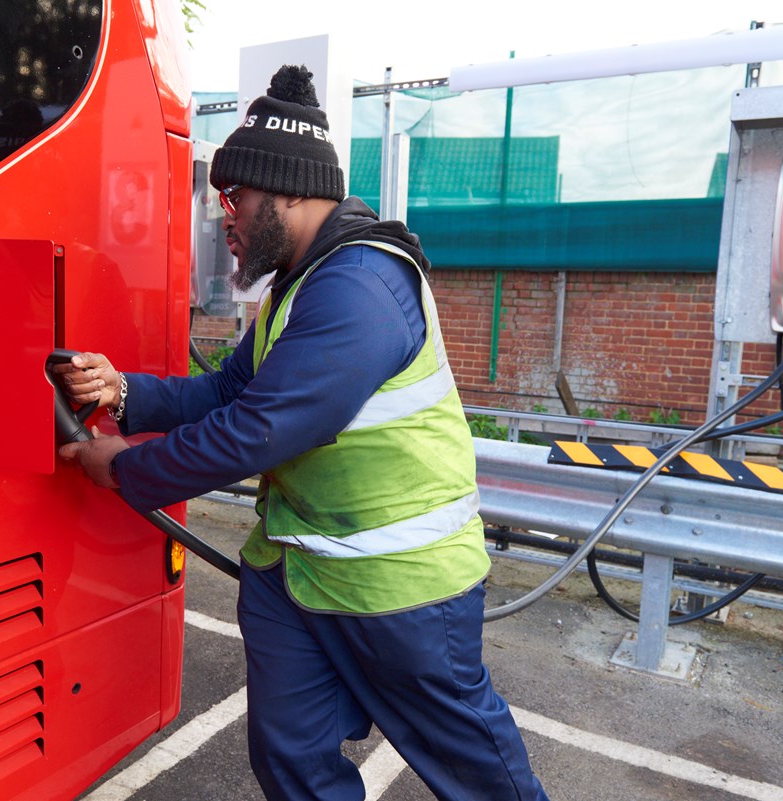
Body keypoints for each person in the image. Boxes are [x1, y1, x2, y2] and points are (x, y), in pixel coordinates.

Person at [56, 64, 551, 801]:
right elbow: (228, 389)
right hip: (299, 576)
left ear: (287, 190)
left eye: (238, 196)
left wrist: (122, 468)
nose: (224, 215)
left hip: (402, 590)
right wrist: (122, 393)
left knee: (474, 770)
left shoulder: (361, 287)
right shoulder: (298, 285)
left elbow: (258, 429)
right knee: (291, 759)